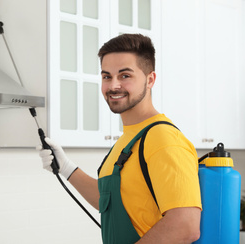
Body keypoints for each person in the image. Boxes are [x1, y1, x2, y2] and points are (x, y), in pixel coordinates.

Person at [38, 34, 202, 243]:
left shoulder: (163, 139)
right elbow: (108, 201)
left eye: (125, 76)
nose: (113, 86)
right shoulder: (129, 138)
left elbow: (185, 225)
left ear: (150, 79)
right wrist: (67, 168)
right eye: (107, 76)